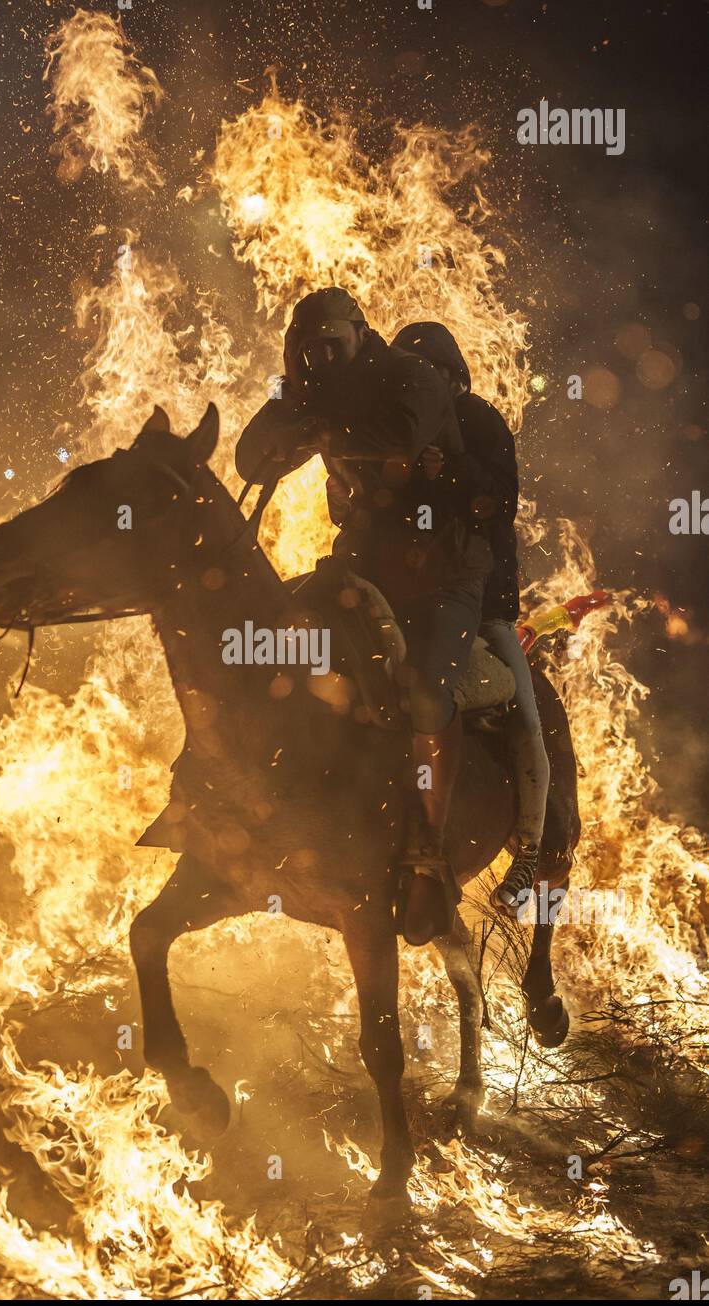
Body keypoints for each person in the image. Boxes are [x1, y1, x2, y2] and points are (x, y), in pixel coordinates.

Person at [235, 287, 495, 944]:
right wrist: (289, 400)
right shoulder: (312, 390)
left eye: (331, 345)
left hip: (440, 577)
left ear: (358, 335)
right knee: (265, 645)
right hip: (360, 568)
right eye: (308, 350)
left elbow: (398, 437)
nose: (321, 358)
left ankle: (428, 859)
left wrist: (316, 421)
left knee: (430, 697)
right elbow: (249, 459)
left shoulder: (409, 379)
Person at [391, 322, 550, 914]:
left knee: (528, 718)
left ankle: (530, 848)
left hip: (485, 605)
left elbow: (498, 505)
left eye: (426, 373)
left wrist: (448, 469)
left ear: (451, 376)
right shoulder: (401, 428)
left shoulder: (479, 421)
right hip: (412, 596)